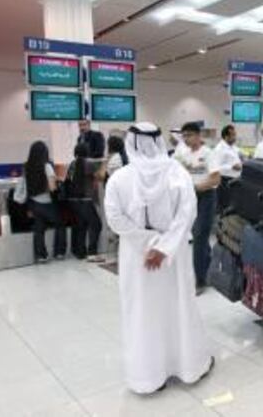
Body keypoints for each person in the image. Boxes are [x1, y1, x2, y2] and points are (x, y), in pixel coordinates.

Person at [104, 122, 214, 394]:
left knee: (142, 310)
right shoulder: (177, 173)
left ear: (131, 143)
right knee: (179, 306)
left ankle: (148, 378)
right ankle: (188, 367)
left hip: (137, 255)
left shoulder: (119, 178)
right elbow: (188, 214)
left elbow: (115, 219)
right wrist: (163, 246)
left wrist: (147, 243)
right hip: (173, 254)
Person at [174, 122, 221, 294]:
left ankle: (200, 280)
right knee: (197, 235)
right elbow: (174, 170)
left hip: (206, 197)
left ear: (198, 135)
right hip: (189, 197)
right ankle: (209, 270)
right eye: (184, 136)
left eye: (189, 135)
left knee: (200, 236)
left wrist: (196, 187)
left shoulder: (208, 153)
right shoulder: (181, 153)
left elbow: (216, 179)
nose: (186, 139)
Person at [16, 141, 66, 262]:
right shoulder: (46, 166)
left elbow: (23, 184)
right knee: (60, 224)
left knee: (39, 229)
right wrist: (58, 181)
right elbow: (52, 187)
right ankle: (59, 252)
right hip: (47, 203)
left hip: (33, 203)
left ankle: (41, 256)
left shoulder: (26, 166)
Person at [67, 143, 106, 262]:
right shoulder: (88, 163)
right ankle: (92, 253)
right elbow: (100, 177)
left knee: (81, 225)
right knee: (96, 224)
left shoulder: (72, 164)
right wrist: (104, 164)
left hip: (73, 200)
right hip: (85, 200)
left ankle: (80, 253)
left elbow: (69, 179)